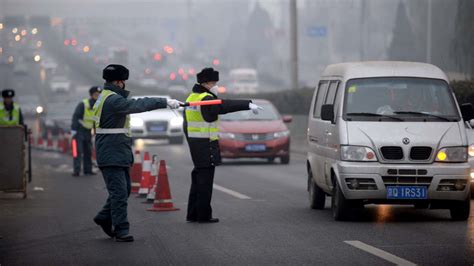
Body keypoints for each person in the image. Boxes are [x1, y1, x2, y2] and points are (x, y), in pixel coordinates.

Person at [93, 64, 182, 242]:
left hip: (116, 151)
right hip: (112, 152)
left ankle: (104, 217)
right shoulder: (113, 100)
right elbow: (137, 105)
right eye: (123, 81)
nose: (124, 84)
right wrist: (163, 102)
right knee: (119, 193)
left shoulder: (106, 96)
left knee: (124, 190)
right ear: (119, 82)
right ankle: (121, 230)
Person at [184, 67, 262, 223]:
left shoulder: (192, 97)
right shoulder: (206, 98)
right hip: (206, 145)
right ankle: (204, 216)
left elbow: (185, 125)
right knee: (205, 182)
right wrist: (247, 104)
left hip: (196, 144)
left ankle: (193, 214)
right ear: (206, 83)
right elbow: (223, 106)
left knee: (197, 180)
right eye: (214, 82)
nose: (216, 86)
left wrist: (192, 142)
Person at [71, 86, 101, 177]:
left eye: (99, 95)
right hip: (79, 131)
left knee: (88, 151)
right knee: (77, 151)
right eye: (96, 95)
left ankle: (87, 170)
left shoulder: (98, 106)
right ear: (91, 95)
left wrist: (96, 131)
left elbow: (96, 120)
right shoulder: (84, 104)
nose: (98, 96)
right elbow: (76, 117)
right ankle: (76, 170)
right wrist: (73, 130)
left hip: (88, 132)